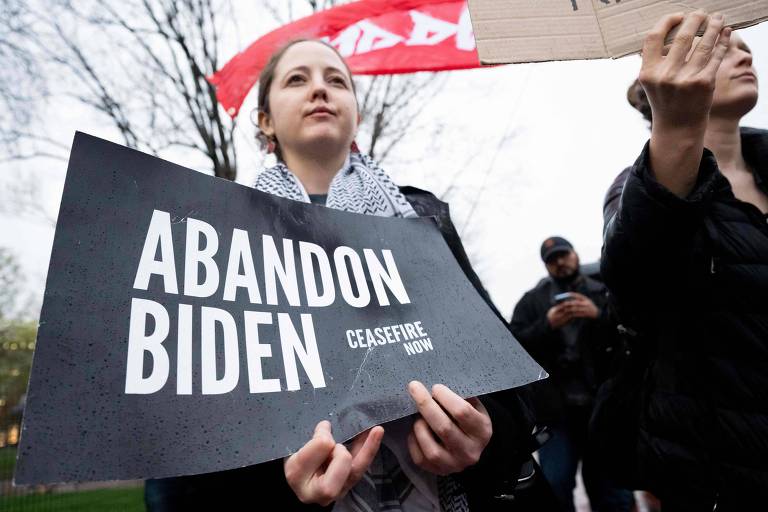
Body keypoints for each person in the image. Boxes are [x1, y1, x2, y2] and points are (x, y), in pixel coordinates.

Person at [146, 39, 556, 511]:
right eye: (297, 79)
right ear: (265, 121)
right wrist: (285, 486)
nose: (320, 89)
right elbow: (204, 433)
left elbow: (505, 370)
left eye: (336, 80)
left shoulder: (422, 217)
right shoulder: (224, 238)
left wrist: (487, 433)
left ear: (355, 115)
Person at [601, 10, 768, 509]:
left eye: (745, 44)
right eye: (720, 43)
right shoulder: (635, 193)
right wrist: (676, 127)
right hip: (718, 481)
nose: (744, 52)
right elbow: (634, 280)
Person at [509, 237, 633, 512]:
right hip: (556, 414)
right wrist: (547, 324)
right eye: (552, 259)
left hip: (603, 409)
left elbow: (633, 335)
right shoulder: (532, 301)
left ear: (575, 254)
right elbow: (513, 346)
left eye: (564, 254)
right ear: (546, 266)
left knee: (613, 490)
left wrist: (598, 315)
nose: (560, 262)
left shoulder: (604, 292)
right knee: (555, 485)